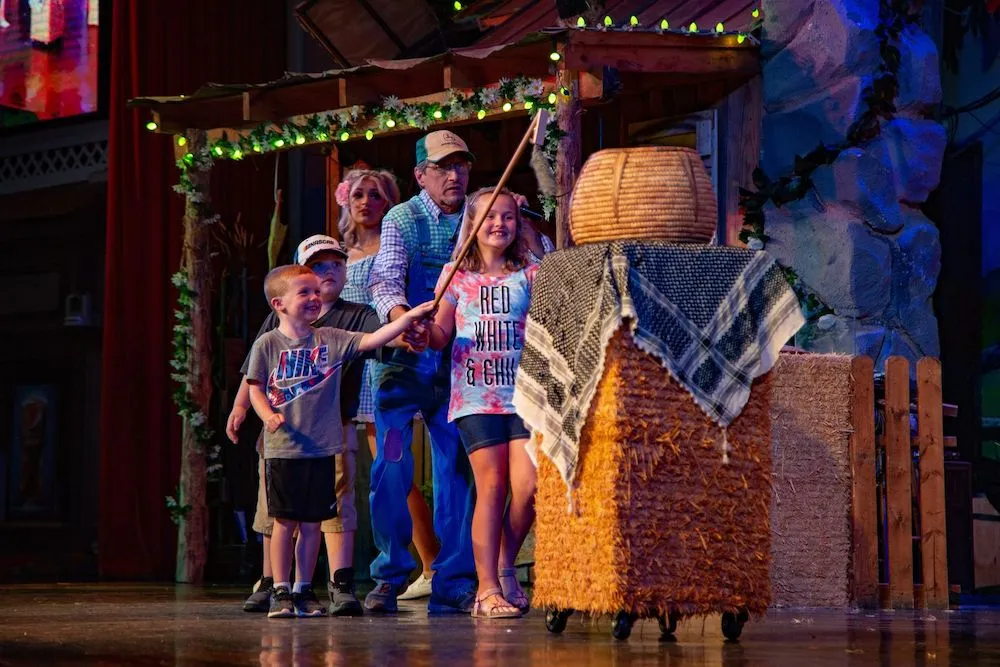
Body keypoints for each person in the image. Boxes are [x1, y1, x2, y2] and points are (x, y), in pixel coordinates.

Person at [246, 262, 435, 618]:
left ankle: (304, 589)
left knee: (315, 521)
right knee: (285, 522)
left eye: (317, 291)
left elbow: (375, 339)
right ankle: (280, 589)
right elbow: (254, 387)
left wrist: (410, 318)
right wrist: (266, 414)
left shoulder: (331, 339)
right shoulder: (268, 344)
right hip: (284, 449)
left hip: (322, 447)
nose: (315, 297)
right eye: (305, 292)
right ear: (279, 304)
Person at [227, 235, 384, 617]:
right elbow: (256, 371)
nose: (327, 273)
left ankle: (333, 583)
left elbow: (379, 339)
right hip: (283, 432)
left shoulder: (354, 316)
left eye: (336, 265)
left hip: (331, 425)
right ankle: (272, 583)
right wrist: (240, 407)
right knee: (275, 508)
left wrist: (411, 321)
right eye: (317, 266)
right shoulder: (278, 321)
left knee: (332, 504)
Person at [364, 130, 480, 614]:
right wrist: (401, 321)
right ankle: (390, 574)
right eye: (442, 167)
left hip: (456, 367)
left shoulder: (480, 216)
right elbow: (385, 279)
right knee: (392, 467)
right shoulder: (402, 218)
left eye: (461, 165)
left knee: (455, 472)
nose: (454, 175)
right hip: (402, 368)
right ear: (420, 175)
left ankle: (453, 578)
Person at [426, 188, 539, 618]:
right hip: (475, 396)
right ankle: (487, 588)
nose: (499, 224)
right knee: (491, 488)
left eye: (508, 217)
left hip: (525, 395)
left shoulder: (530, 272)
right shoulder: (455, 276)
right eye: (490, 216)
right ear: (472, 225)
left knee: (529, 490)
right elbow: (439, 335)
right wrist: (421, 335)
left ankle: (504, 562)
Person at [336, 168, 440, 600]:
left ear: (388, 201)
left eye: (375, 195)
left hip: (383, 363)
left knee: (394, 470)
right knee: (350, 475)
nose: (365, 202)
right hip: (348, 365)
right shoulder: (338, 252)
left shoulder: (393, 245)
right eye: (357, 194)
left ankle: (431, 562)